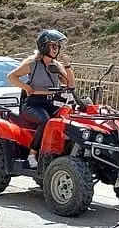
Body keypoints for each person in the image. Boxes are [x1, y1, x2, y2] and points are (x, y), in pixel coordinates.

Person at [6, 28, 75, 167]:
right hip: (33, 104)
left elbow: (71, 84)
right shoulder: (32, 64)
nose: (56, 50)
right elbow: (11, 76)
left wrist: (67, 65)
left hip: (52, 103)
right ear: (44, 46)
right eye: (53, 46)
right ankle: (32, 154)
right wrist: (26, 88)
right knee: (46, 121)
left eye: (58, 47)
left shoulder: (57, 66)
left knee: (69, 121)